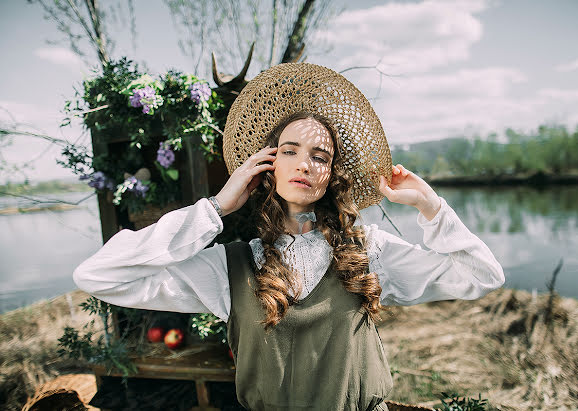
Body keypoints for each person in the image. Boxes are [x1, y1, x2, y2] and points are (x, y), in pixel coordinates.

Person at [73, 63, 505, 411]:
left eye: (321, 156)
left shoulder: (368, 251)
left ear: (332, 176)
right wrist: (215, 208)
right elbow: (99, 275)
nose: (305, 164)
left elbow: (482, 275)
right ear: (267, 166)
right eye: (290, 151)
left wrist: (430, 205)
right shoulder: (229, 267)